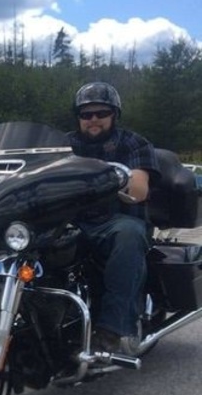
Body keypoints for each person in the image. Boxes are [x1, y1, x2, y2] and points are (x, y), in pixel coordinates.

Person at [68, 82, 161, 354]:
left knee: (128, 236)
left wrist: (111, 178)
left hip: (117, 219)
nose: (93, 119)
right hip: (72, 221)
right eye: (86, 114)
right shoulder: (64, 144)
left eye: (102, 113)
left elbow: (139, 189)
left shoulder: (133, 143)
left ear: (114, 114)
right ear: (78, 117)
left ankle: (112, 329)